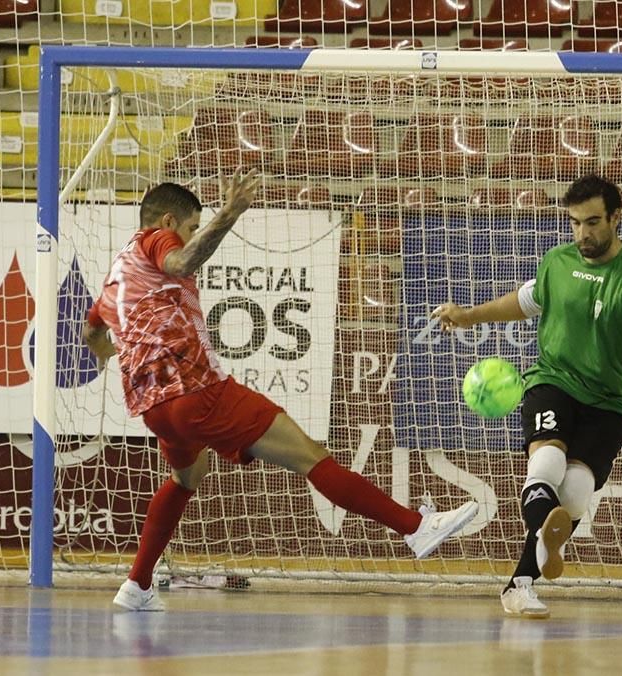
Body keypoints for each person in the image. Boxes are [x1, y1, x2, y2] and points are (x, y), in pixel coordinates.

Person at [84, 171, 478, 612]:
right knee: (310, 456)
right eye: (193, 227)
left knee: (186, 478)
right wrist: (230, 212)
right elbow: (181, 264)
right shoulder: (157, 241)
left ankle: (136, 585)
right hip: (196, 391)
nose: (192, 235)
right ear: (169, 221)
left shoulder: (117, 273)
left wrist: (109, 352)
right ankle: (414, 527)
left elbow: (92, 328)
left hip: (154, 407)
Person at [432, 174, 622, 619]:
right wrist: (468, 316)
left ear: (615, 218)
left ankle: (518, 583)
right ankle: (529, 574)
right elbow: (526, 301)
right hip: (554, 380)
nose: (582, 233)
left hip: (612, 399)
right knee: (546, 463)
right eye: (574, 223)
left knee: (579, 491)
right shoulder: (557, 262)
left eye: (592, 223)